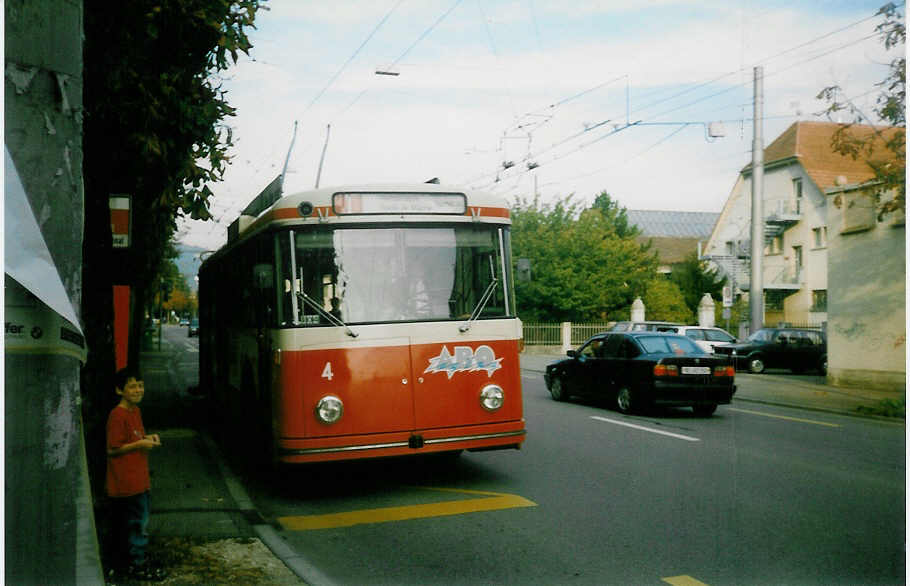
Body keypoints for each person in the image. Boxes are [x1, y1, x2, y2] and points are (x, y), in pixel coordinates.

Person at [105, 367, 164, 581]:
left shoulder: (135, 412)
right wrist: (141, 443)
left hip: (139, 480)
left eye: (140, 385)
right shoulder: (117, 415)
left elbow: (134, 438)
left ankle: (133, 561)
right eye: (132, 386)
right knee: (137, 525)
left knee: (139, 523)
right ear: (119, 390)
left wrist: (148, 437)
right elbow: (112, 449)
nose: (138, 390)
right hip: (126, 483)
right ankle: (136, 565)